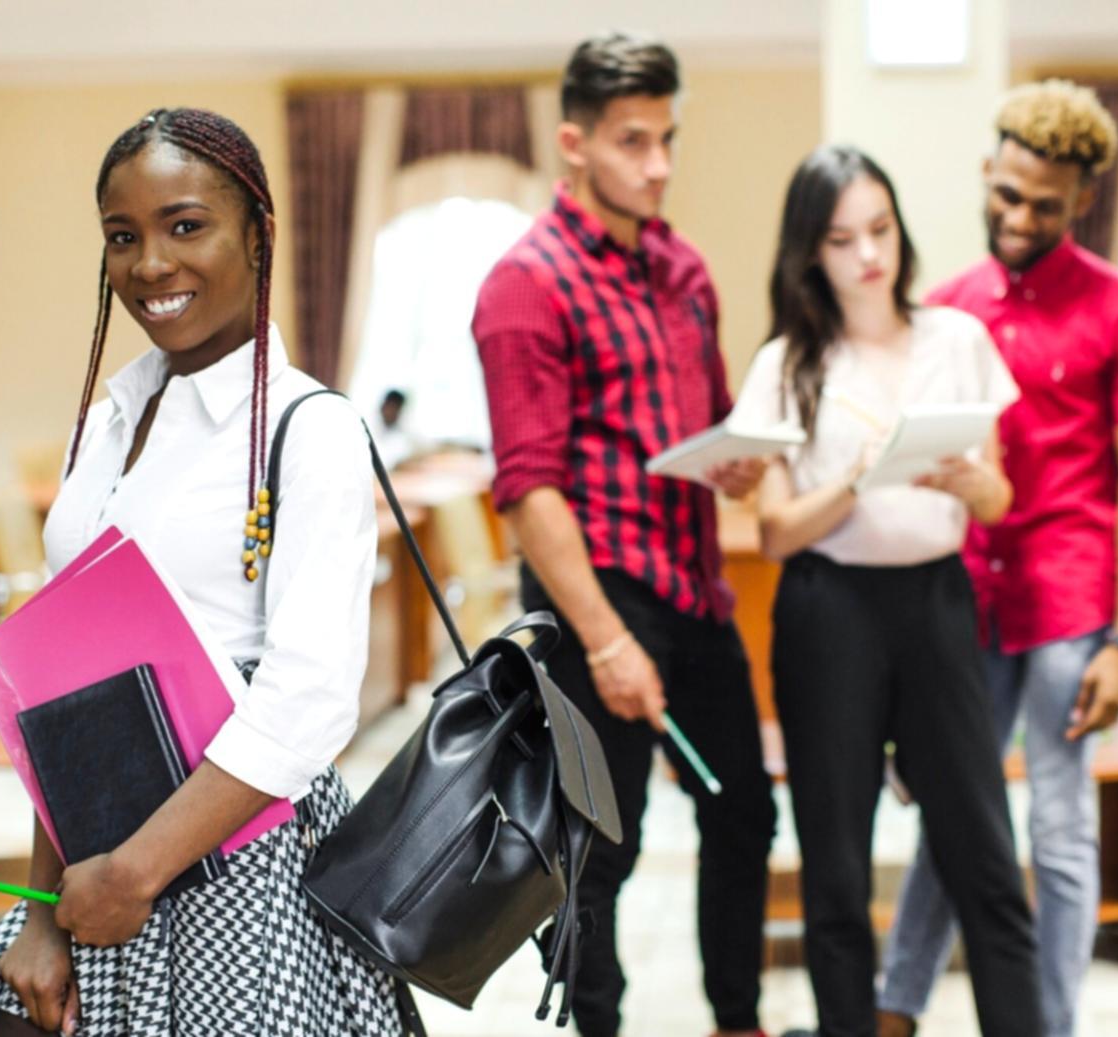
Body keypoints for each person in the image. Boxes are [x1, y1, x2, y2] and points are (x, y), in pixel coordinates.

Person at [0, 108, 409, 1036]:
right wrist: (43, 910)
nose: (151, 263)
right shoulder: (113, 421)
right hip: (95, 861)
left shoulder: (309, 429)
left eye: (185, 225)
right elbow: (69, 689)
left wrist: (135, 871)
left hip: (242, 862)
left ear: (258, 234)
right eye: (124, 236)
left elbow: (308, 699)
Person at [473, 31, 777, 1037]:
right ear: (574, 143)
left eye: (666, 139)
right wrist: (606, 642)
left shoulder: (682, 267)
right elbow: (528, 492)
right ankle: (594, 1023)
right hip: (591, 600)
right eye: (632, 141)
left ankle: (737, 1018)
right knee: (604, 845)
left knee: (743, 814)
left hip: (694, 591)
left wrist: (733, 457)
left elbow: (707, 418)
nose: (656, 164)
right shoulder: (526, 283)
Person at [878, 80, 1118, 1037]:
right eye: (1006, 195)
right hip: (961, 601)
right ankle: (894, 1008)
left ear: (1082, 199)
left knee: (1058, 826)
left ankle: (1046, 1024)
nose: (1019, 217)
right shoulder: (946, 309)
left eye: (1045, 205)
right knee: (954, 819)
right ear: (987, 172)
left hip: (1069, 607)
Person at [737, 146, 1042, 1037]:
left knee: (985, 856)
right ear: (811, 253)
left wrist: (962, 483)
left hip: (937, 605)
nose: (868, 254)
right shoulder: (788, 362)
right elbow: (775, 530)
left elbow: (999, 495)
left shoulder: (957, 339)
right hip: (827, 611)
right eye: (842, 239)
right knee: (834, 871)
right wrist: (859, 479)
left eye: (880, 229)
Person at [373, 388, 415, 469]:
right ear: (383, 406)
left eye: (397, 409)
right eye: (390, 407)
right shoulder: (368, 428)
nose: (391, 412)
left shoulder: (404, 432)